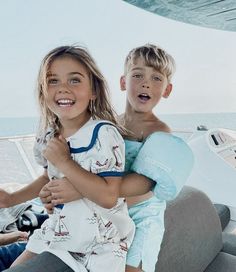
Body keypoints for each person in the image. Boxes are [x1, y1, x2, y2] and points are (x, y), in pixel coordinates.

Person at [38, 44, 194, 272]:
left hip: (142, 216)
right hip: (109, 212)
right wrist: (54, 190)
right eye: (138, 75)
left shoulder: (159, 131)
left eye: (156, 78)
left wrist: (81, 189)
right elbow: (92, 168)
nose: (146, 83)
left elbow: (146, 183)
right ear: (123, 82)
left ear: (167, 90)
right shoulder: (109, 127)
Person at [1, 45, 135, 272]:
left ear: (93, 90)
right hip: (56, 230)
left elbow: (109, 196)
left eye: (74, 80)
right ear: (43, 91)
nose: (63, 88)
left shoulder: (103, 134)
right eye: (53, 81)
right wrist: (11, 199)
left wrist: (65, 162)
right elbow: (48, 177)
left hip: (98, 242)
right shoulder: (47, 135)